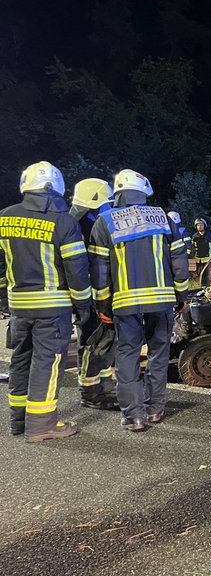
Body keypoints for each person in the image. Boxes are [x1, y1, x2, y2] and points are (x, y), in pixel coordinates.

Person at [89, 169, 190, 432]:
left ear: (117, 192)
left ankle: (133, 416)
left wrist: (102, 305)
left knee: (127, 355)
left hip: (125, 302)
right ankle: (155, 409)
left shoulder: (104, 221)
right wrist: (182, 295)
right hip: (162, 300)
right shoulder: (164, 218)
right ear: (144, 192)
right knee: (158, 354)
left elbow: (100, 270)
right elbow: (179, 260)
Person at [0, 161, 92, 442]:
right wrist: (84, 306)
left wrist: (6, 297)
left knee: (21, 358)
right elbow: (76, 270)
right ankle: (42, 425)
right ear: (55, 188)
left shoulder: (4, 217)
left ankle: (19, 420)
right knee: (47, 363)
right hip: (52, 308)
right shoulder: (63, 222)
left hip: (18, 306)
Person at [69, 178, 117, 410]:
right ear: (94, 201)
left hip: (94, 293)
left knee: (104, 340)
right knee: (90, 342)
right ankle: (90, 392)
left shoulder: (83, 221)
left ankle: (105, 386)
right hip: (87, 295)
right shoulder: (78, 226)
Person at [190, 218, 211, 287]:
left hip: (208, 259)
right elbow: (192, 248)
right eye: (198, 225)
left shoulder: (210, 236)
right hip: (198, 260)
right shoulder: (194, 237)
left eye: (201, 225)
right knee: (200, 275)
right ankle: (202, 289)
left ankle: (209, 290)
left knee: (208, 276)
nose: (200, 227)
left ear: (204, 226)